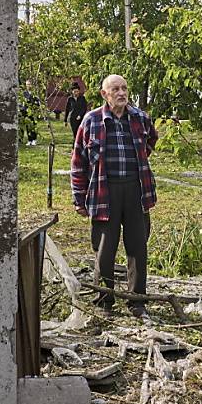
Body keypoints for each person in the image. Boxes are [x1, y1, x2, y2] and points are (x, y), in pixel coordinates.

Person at [70, 74, 158, 318]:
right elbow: (79, 162)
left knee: (138, 247)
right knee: (105, 249)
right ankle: (104, 302)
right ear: (104, 94)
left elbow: (151, 139)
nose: (121, 93)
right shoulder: (91, 121)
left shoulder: (140, 118)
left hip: (135, 189)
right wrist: (79, 198)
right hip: (104, 190)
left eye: (124, 88)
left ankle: (137, 302)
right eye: (115, 89)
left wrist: (140, 158)